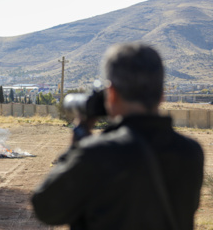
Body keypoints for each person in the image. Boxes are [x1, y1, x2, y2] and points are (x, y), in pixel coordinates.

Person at [31, 43, 204, 230]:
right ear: (162, 95)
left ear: (112, 94)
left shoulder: (98, 154)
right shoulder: (191, 151)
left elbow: (45, 209)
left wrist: (78, 142)